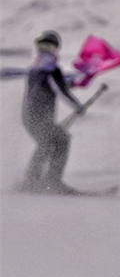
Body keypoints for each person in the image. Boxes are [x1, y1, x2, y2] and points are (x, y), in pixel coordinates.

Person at [21, 30, 85, 194]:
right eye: (43, 46)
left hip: (29, 117)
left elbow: (51, 86)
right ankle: (52, 182)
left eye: (48, 46)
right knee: (62, 140)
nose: (46, 50)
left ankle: (31, 180)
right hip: (39, 118)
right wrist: (77, 106)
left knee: (47, 143)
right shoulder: (50, 68)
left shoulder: (35, 66)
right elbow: (60, 89)